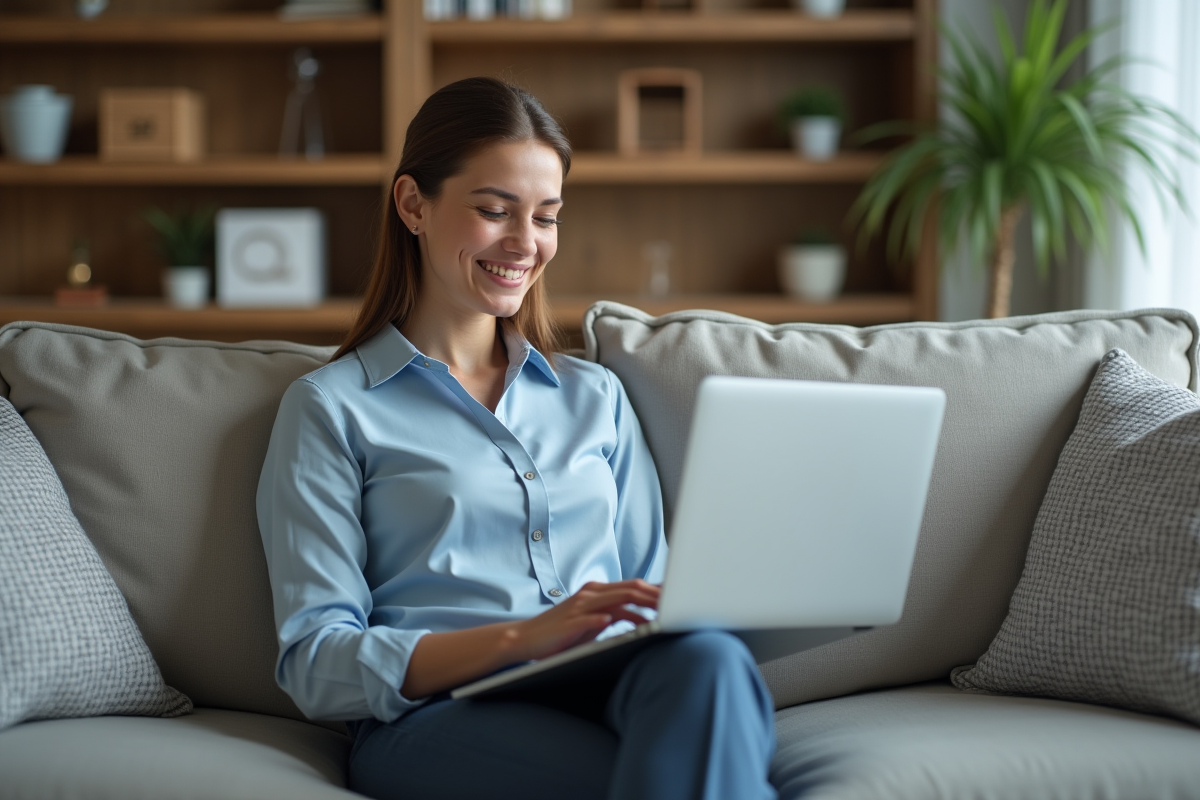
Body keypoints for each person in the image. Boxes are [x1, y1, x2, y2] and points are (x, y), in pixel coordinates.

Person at [256, 76, 778, 800]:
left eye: (546, 216)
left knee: (710, 659)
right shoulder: (332, 408)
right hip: (442, 712)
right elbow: (317, 662)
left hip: (609, 686)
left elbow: (656, 599)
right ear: (413, 205)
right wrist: (522, 639)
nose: (525, 244)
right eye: (495, 211)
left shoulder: (595, 397)